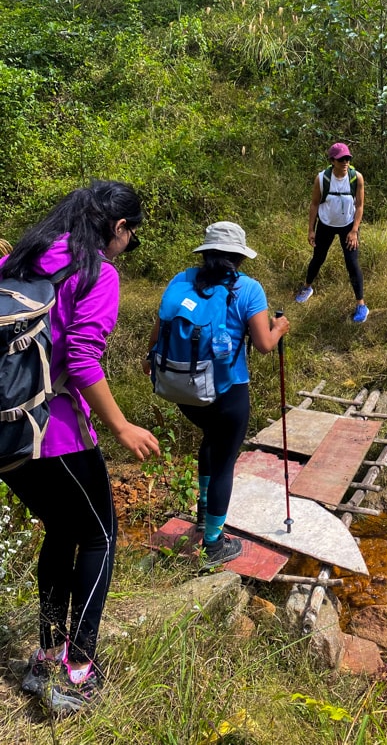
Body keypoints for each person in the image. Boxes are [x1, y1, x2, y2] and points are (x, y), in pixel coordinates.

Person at [0, 180, 160, 714]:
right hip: (57, 433)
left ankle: (46, 653)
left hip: (5, 432)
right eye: (129, 236)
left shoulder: (22, 257)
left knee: (62, 529)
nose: (126, 248)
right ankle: (77, 667)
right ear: (118, 229)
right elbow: (84, 358)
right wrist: (121, 427)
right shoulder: (96, 272)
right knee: (100, 536)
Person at [145, 221, 289, 567]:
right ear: (239, 257)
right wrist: (281, 326)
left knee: (209, 443)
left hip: (184, 390)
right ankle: (213, 544)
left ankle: (202, 516)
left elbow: (158, 332)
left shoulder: (181, 281)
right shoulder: (248, 289)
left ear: (206, 252)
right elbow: (264, 344)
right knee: (224, 461)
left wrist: (149, 360)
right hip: (227, 393)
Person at [295, 142, 369, 323]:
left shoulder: (356, 177)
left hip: (348, 226)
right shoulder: (322, 179)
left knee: (352, 263)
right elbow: (314, 204)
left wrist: (354, 230)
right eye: (341, 159)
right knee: (318, 258)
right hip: (326, 224)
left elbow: (359, 205)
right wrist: (311, 229)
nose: (345, 162)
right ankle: (307, 287)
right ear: (332, 161)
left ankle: (361, 304)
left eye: (348, 159)